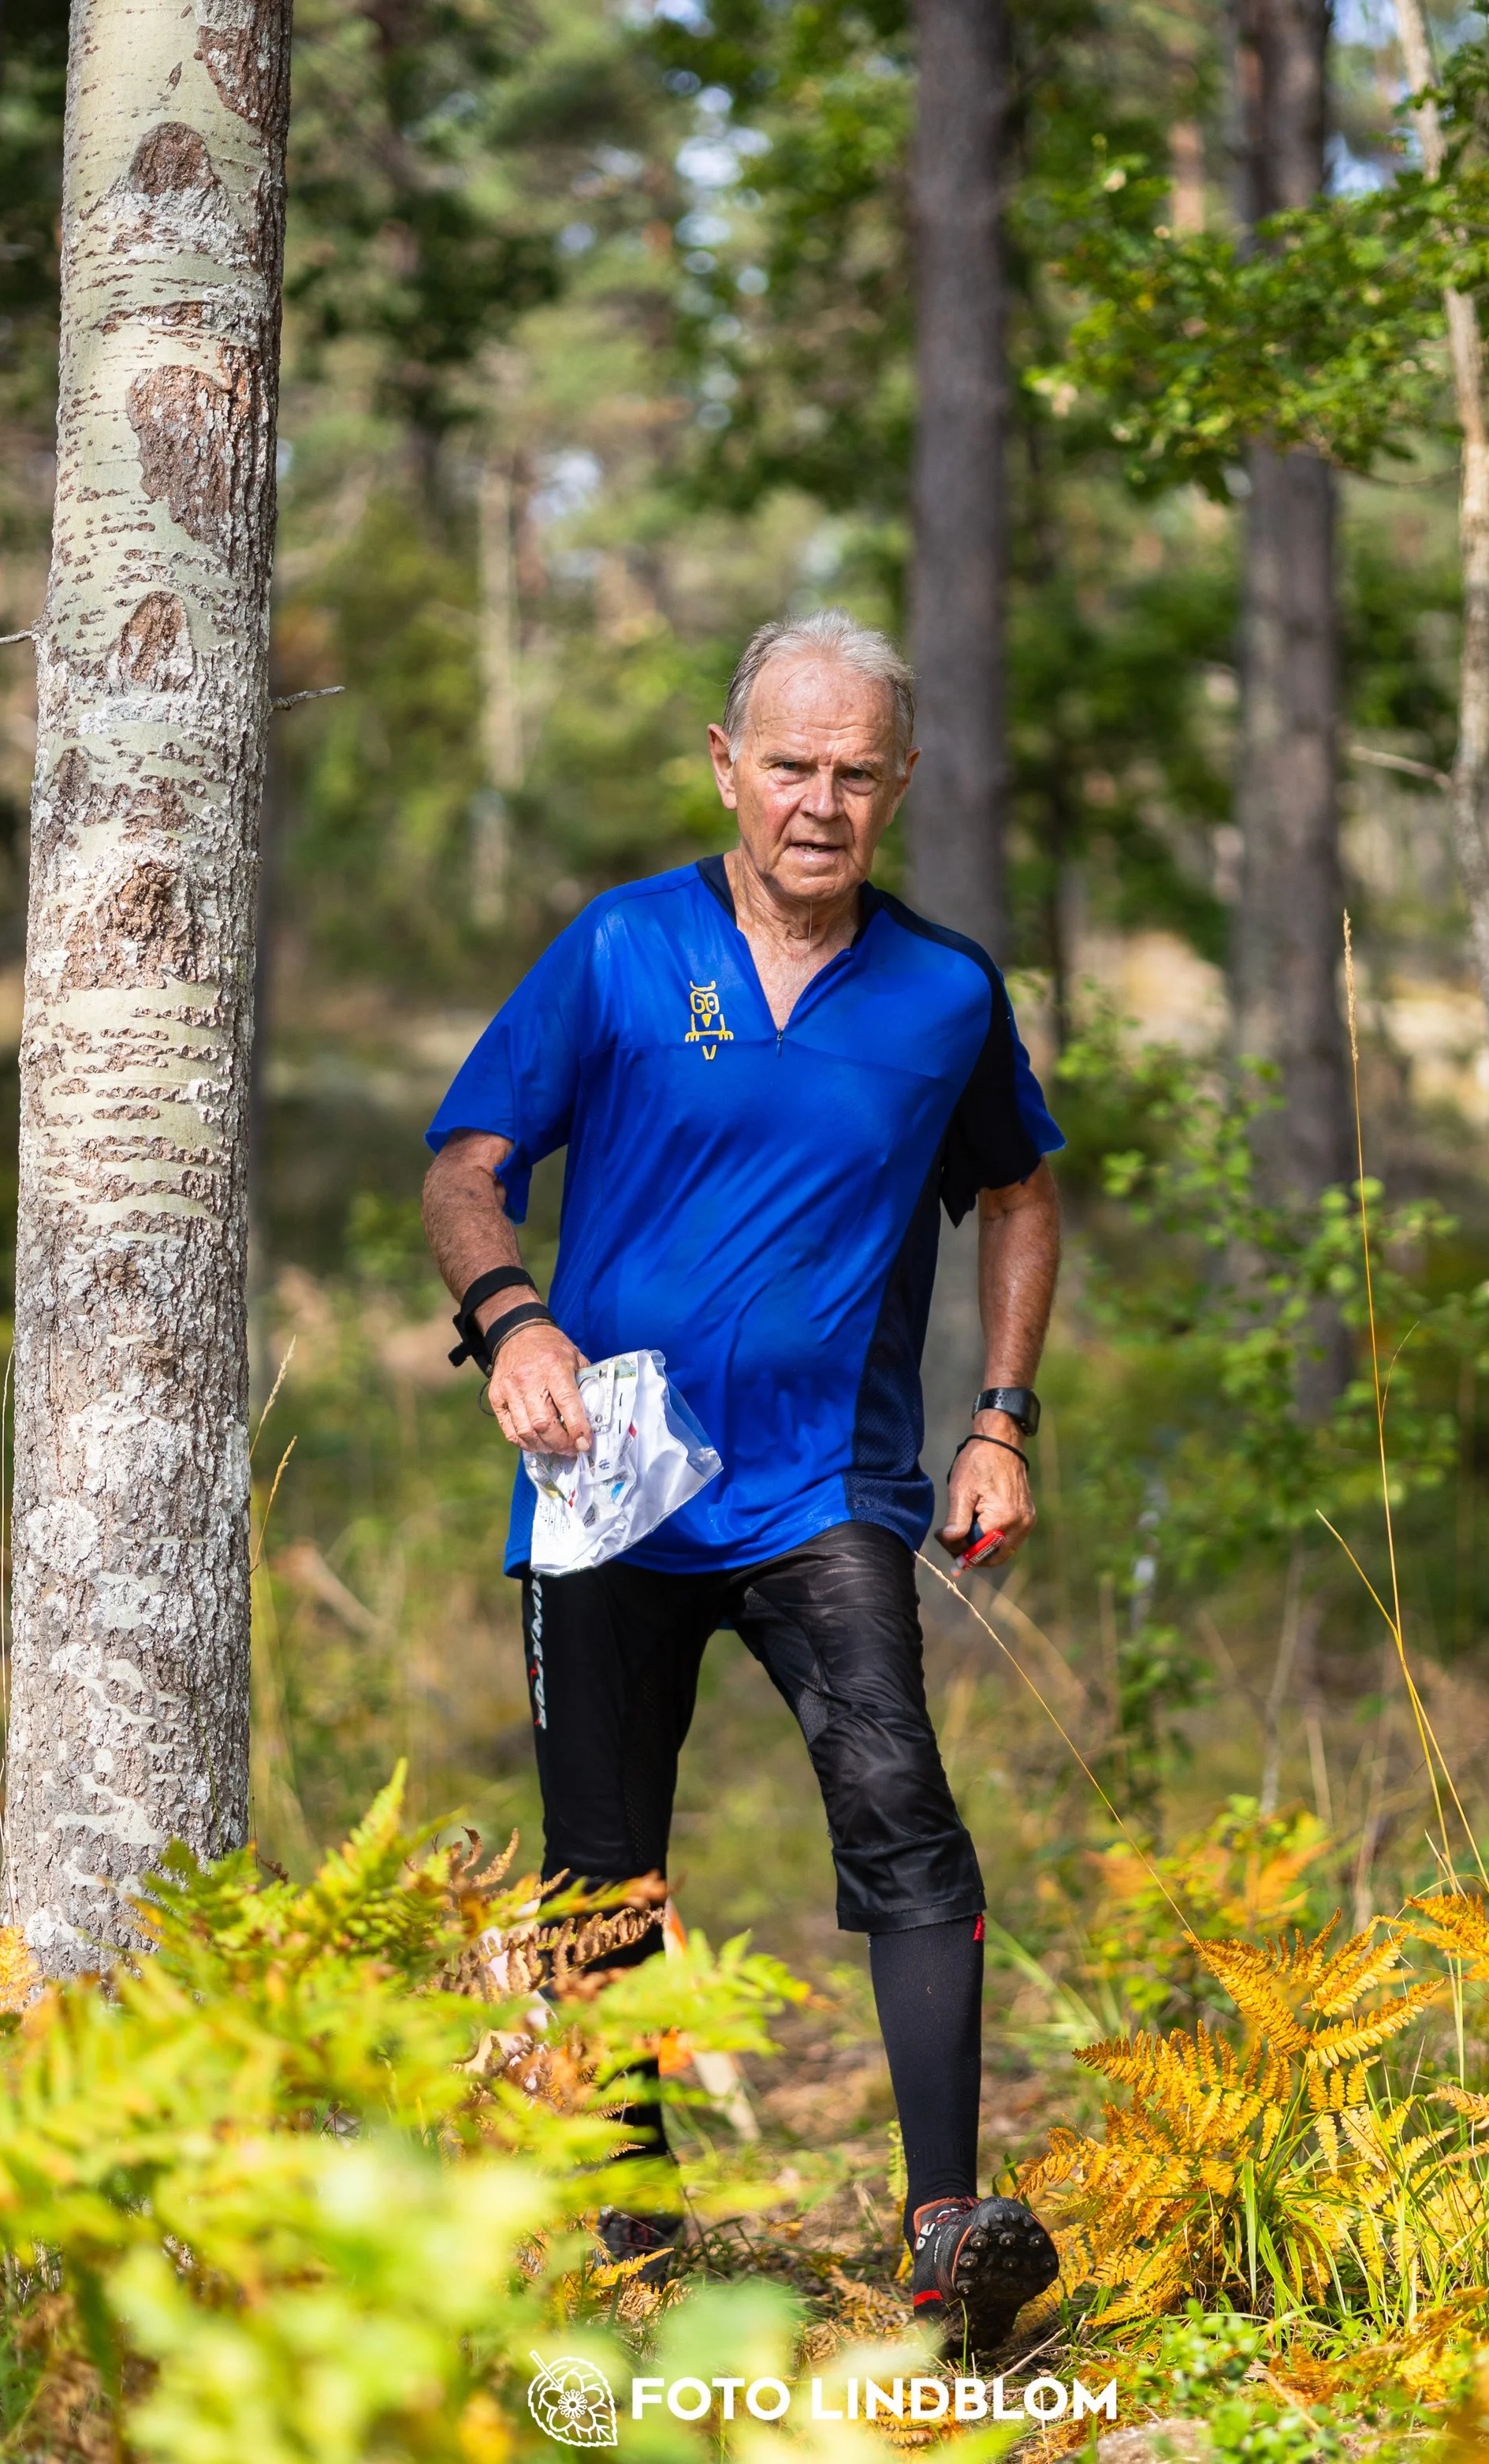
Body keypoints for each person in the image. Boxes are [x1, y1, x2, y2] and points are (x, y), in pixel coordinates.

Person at [422, 609, 1064, 2355]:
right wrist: (510, 1319)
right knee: (597, 1873)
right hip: (603, 1481)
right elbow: (467, 1165)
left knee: (901, 1811)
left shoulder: (942, 990)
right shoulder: (620, 948)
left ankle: (944, 2229)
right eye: (789, 763)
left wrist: (1000, 1412)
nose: (819, 800)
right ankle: (624, 2220)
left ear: (900, 783)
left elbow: (1015, 1192)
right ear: (725, 765)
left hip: (821, 1489)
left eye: (857, 772)